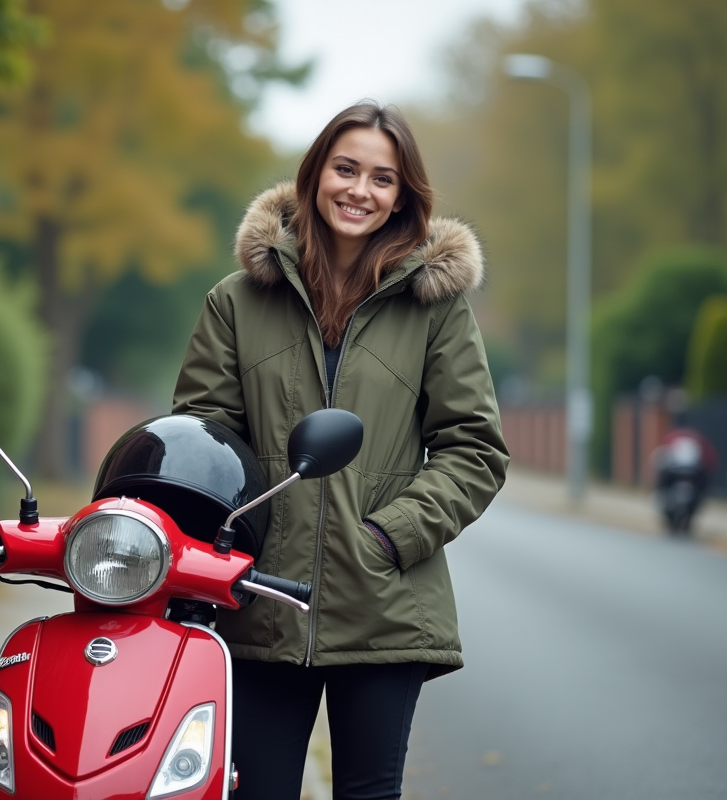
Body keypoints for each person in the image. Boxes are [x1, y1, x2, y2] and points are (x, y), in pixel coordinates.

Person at [172, 102, 509, 799]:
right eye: (346, 168)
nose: (360, 190)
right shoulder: (235, 302)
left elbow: (474, 447)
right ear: (314, 175)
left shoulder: (435, 309)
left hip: (385, 603)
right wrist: (235, 551)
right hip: (259, 600)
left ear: (401, 197)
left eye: (382, 179)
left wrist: (388, 538)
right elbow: (203, 437)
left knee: (367, 792)